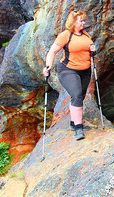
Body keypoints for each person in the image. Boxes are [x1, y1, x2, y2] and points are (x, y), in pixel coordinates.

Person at [43, 9, 96, 140]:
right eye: (81, 21)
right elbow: (52, 52)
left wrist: (93, 51)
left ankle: (73, 123)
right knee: (76, 94)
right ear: (73, 22)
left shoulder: (86, 35)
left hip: (85, 71)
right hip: (68, 70)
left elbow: (88, 53)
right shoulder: (66, 35)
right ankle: (78, 128)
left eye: (84, 20)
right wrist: (48, 66)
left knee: (81, 95)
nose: (83, 23)